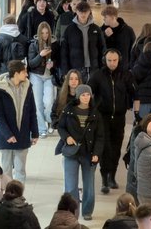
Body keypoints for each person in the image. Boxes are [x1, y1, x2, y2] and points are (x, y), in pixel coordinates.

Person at [88, 49, 135, 193]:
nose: (112, 63)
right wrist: (91, 112)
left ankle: (112, 176)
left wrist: (135, 111)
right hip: (103, 117)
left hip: (119, 117)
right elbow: (88, 93)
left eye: (115, 60)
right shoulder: (98, 75)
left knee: (116, 148)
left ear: (119, 60)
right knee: (105, 148)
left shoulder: (126, 75)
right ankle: (104, 178)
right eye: (109, 60)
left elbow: (134, 93)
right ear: (105, 60)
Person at [58, 83, 105, 221]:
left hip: (89, 154)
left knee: (89, 186)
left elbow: (100, 136)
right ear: (78, 96)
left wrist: (97, 153)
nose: (86, 97)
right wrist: (67, 137)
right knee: (70, 185)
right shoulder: (69, 110)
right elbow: (61, 127)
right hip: (71, 152)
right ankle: (72, 211)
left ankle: (87, 211)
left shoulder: (96, 113)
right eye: (83, 95)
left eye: (88, 95)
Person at [0, 60, 39, 182]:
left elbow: (32, 112)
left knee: (20, 170)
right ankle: (8, 198)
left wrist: (35, 133)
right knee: (7, 170)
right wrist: (8, 134)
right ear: (16, 73)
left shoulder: (28, 87)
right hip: (5, 136)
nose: (27, 75)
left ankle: (19, 197)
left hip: (23, 135)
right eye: (24, 72)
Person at [60, 0, 106, 83]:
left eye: (85, 12)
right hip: (76, 68)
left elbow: (102, 49)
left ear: (89, 12)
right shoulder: (69, 30)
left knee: (93, 93)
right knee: (78, 93)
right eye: (81, 12)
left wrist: (103, 68)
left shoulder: (96, 29)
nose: (83, 14)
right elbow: (64, 51)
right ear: (77, 12)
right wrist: (65, 71)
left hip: (94, 68)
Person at [27, 21, 56, 137]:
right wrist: (41, 55)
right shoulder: (33, 45)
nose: (45, 35)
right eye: (42, 33)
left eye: (47, 33)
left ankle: (49, 120)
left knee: (48, 102)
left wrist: (53, 64)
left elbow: (58, 60)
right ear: (39, 33)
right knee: (37, 103)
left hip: (49, 76)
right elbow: (31, 64)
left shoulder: (54, 44)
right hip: (36, 76)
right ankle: (41, 128)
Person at [0, 15, 29, 82]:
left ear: (4, 23)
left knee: (3, 92)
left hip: (3, 74)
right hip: (19, 73)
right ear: (15, 23)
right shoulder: (23, 39)